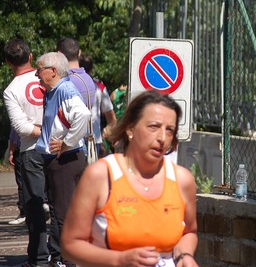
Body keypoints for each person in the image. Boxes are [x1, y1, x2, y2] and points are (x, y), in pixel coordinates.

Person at [61, 90, 199, 267]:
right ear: (130, 129)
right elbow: (70, 244)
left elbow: (189, 232)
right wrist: (119, 260)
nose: (162, 138)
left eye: (170, 130)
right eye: (154, 127)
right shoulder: (101, 176)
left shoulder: (182, 180)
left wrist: (185, 256)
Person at [35, 51, 92, 267]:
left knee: (63, 214)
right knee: (63, 212)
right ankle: (61, 257)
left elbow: (83, 115)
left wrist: (67, 142)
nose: (37, 75)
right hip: (63, 159)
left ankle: (68, 260)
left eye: (39, 70)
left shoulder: (64, 89)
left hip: (65, 161)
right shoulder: (54, 90)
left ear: (53, 71)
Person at [3, 38, 55, 267]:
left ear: (7, 63)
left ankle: (40, 258)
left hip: (31, 151)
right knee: (58, 205)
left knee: (35, 209)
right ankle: (61, 256)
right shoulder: (49, 77)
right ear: (31, 57)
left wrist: (41, 134)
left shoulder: (11, 90)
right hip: (57, 147)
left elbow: (22, 127)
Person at [56, 38, 97, 161]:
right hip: (84, 141)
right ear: (79, 53)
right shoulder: (88, 79)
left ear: (59, 55)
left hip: (69, 145)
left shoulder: (65, 82)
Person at [78, 53, 117, 157]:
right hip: (93, 139)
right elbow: (111, 116)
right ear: (92, 68)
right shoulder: (99, 87)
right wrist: (111, 135)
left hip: (72, 141)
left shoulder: (68, 84)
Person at [7, 129, 25, 225]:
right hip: (40, 151)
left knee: (22, 183)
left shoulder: (19, 116)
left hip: (21, 151)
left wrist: (11, 153)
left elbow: (14, 137)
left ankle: (23, 213)